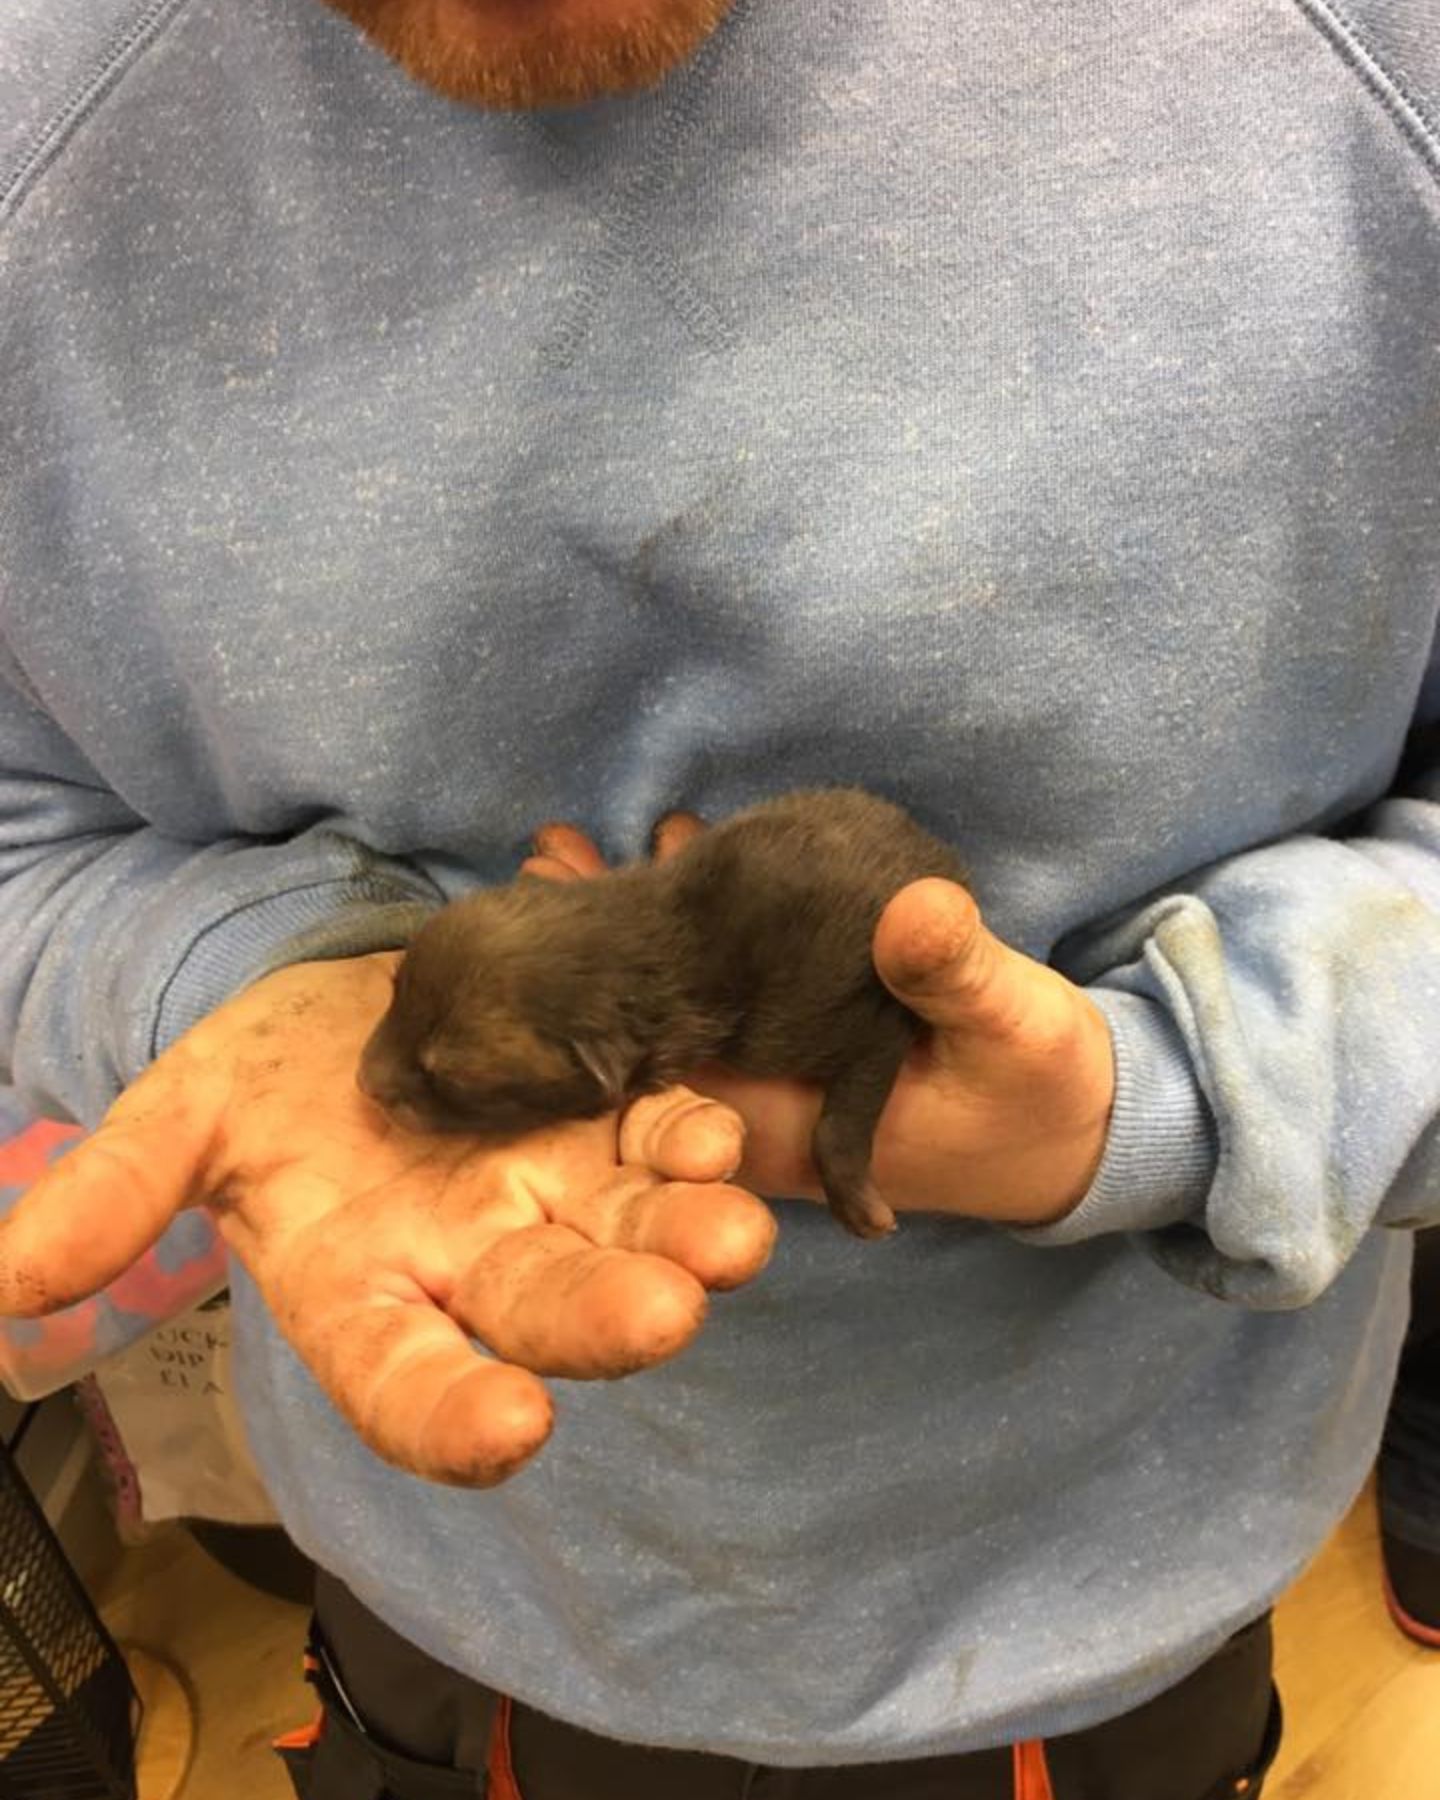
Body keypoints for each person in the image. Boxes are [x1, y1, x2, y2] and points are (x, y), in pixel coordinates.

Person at [1, 2, 1438, 1796]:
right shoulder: (36, 138)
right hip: (460, 1598)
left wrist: (1167, 1104)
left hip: (1099, 1611)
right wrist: (243, 966)